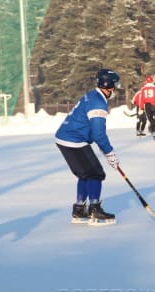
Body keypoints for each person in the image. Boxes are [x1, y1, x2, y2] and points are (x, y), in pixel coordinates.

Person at [55, 68, 121, 225]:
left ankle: (79, 210)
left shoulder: (93, 95)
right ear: (109, 85)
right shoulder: (98, 103)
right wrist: (109, 153)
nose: (116, 89)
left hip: (65, 138)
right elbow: (98, 134)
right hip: (74, 141)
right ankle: (95, 211)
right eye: (115, 85)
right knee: (96, 174)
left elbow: (91, 131)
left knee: (85, 174)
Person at [138, 75, 155, 142]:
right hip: (154, 105)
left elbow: (141, 99)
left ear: (146, 81)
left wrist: (141, 108)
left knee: (151, 120)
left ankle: (154, 135)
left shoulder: (143, 89)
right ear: (152, 81)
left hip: (147, 106)